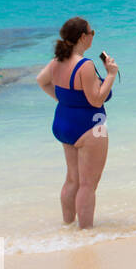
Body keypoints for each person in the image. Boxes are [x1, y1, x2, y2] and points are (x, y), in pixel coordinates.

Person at [35, 17, 118, 230]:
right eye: (92, 32)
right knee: (88, 185)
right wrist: (110, 74)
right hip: (91, 125)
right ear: (83, 36)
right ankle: (86, 234)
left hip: (64, 123)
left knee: (73, 179)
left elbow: (41, 81)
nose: (93, 35)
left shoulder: (57, 60)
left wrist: (66, 101)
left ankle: (67, 226)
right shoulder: (85, 65)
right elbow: (97, 99)